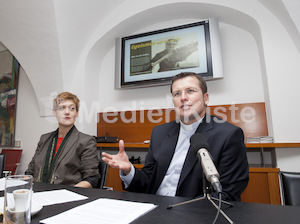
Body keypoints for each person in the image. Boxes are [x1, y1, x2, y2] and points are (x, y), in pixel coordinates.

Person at [102, 72, 249, 200]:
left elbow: (227, 193)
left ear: (206, 98)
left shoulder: (228, 135)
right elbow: (147, 182)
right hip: (155, 210)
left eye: (190, 91)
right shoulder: (159, 133)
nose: (183, 98)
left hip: (196, 214)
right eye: (177, 93)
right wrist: (129, 170)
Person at [25, 92, 100, 188]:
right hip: (37, 194)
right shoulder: (44, 139)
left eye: (72, 108)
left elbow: (92, 179)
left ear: (76, 113)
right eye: (62, 108)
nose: (67, 112)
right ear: (54, 112)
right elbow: (30, 172)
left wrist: (68, 193)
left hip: (68, 197)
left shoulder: (86, 141)